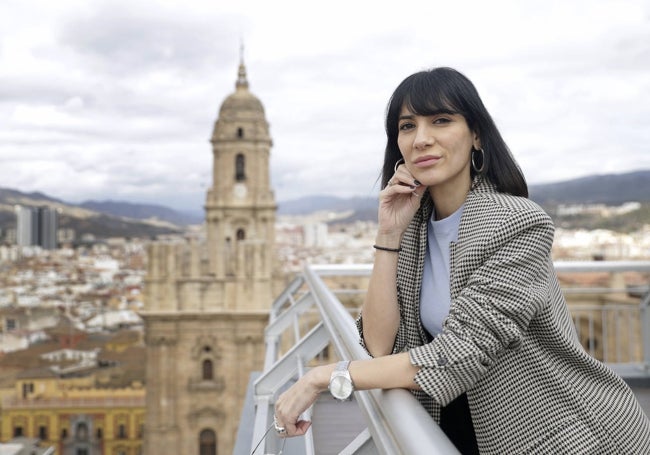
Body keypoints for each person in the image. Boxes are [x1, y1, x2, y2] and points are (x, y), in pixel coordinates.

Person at [273, 67, 650, 454]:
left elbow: (459, 354)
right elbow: (380, 346)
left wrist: (323, 377)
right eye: (407, 126)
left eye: (441, 120)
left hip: (565, 434)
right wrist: (388, 235)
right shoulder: (415, 230)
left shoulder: (518, 222)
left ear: (476, 135)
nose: (421, 139)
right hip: (459, 428)